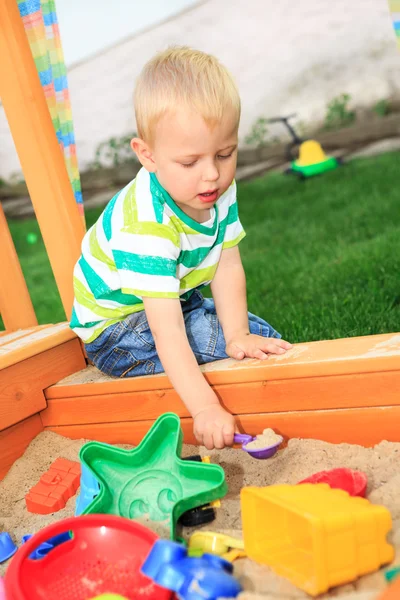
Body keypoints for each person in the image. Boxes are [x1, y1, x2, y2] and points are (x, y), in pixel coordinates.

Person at [70, 46, 292, 450]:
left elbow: (227, 264)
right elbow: (166, 329)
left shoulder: (215, 190)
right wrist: (205, 407)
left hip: (177, 300)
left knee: (253, 335)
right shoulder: (145, 224)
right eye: (190, 162)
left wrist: (238, 333)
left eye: (225, 154)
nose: (211, 174)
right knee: (215, 345)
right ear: (148, 155)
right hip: (119, 329)